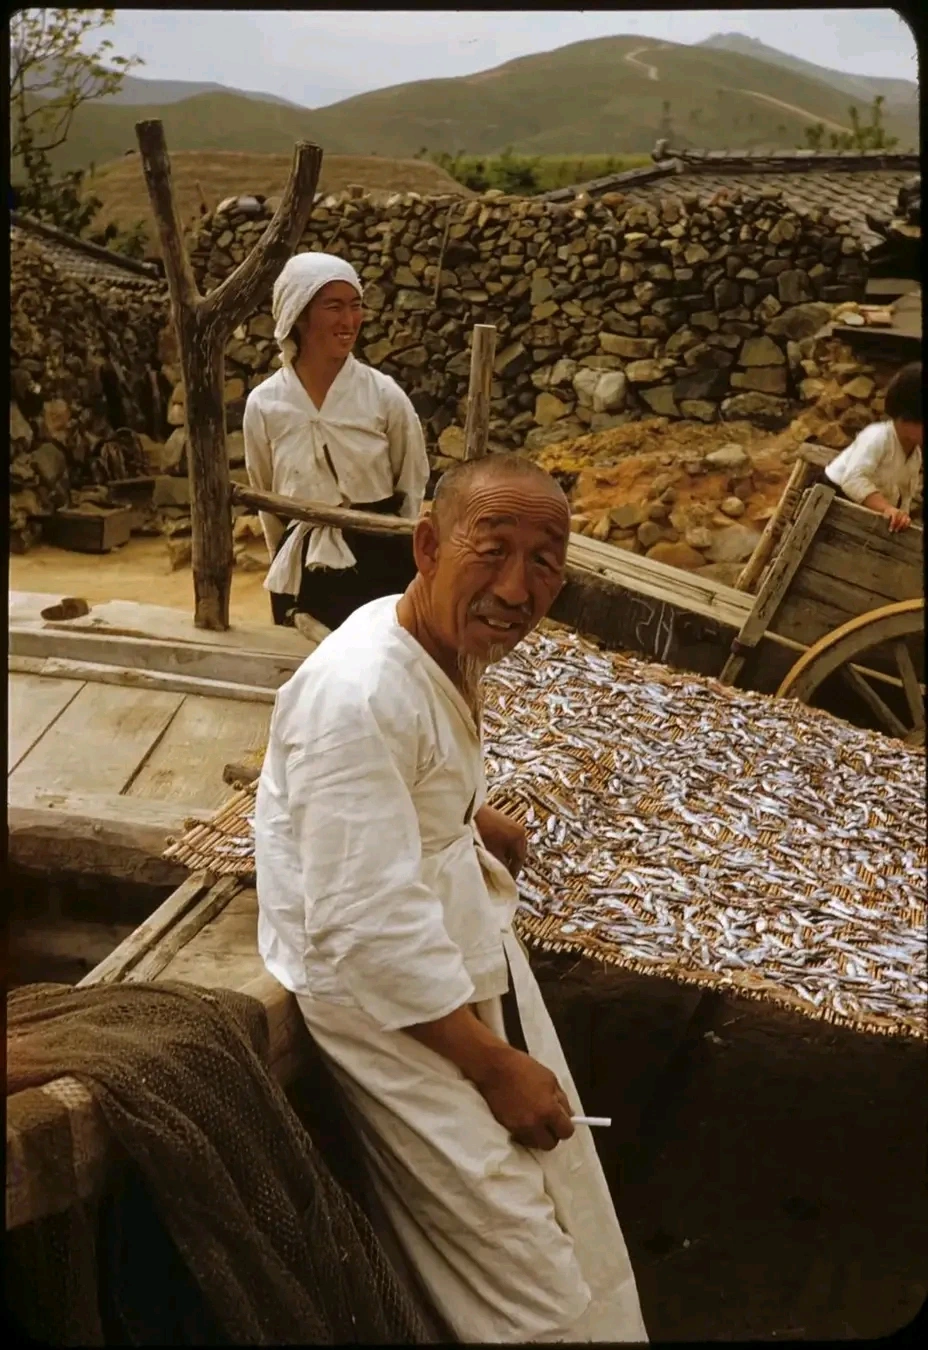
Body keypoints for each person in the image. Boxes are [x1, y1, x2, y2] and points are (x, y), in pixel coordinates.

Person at [254, 455, 647, 1344]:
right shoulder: (358, 692)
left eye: (544, 562)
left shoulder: (429, 640)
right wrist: (492, 1063)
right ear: (428, 547)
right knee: (523, 1278)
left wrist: (465, 817)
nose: (516, 589)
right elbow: (364, 924)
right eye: (492, 550)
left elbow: (398, 785)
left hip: (447, 949)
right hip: (385, 1002)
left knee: (565, 1199)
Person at [243, 251, 430, 630]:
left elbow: (411, 484)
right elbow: (265, 495)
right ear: (299, 314)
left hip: (381, 564)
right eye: (333, 307)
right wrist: (283, 558)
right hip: (301, 565)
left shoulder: (383, 395)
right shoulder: (265, 404)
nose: (349, 320)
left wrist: (395, 550)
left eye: (355, 306)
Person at [823, 361, 922, 532]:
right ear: (905, 417)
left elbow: (905, 496)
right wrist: (887, 509)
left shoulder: (915, 456)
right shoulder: (878, 437)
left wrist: (901, 517)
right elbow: (853, 480)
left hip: (866, 515)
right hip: (833, 502)